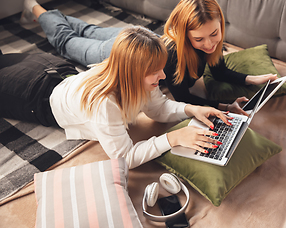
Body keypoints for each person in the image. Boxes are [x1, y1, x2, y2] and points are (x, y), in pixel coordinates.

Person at [0, 26, 231, 169]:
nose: (162, 76)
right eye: (155, 71)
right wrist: (173, 138)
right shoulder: (105, 103)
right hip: (32, 94)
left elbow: (158, 109)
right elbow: (124, 159)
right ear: (132, 73)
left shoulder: (140, 77)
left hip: (57, 69)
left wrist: (192, 109)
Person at [21, 0, 277, 115]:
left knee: (89, 30)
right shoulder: (175, 56)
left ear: (220, 23)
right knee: (66, 42)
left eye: (214, 34)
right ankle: (35, 7)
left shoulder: (210, 40)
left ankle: (54, 16)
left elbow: (218, 70)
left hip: (136, 36)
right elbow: (184, 98)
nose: (209, 44)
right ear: (182, 33)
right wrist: (224, 106)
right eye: (199, 39)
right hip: (118, 53)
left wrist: (252, 79)